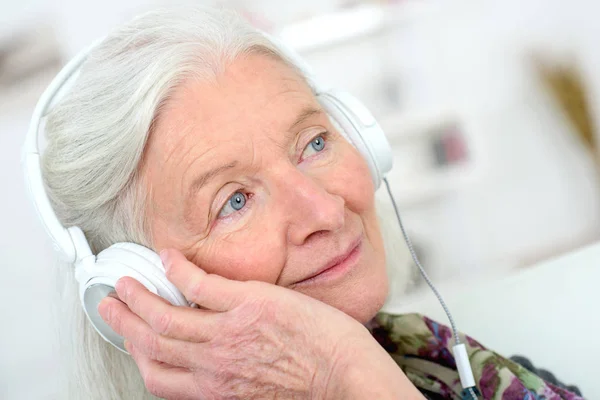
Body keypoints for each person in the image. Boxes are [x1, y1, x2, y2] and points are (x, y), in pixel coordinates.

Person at [39, 6, 582, 400]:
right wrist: (338, 375)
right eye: (235, 201)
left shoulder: (431, 359)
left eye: (314, 144)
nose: (324, 211)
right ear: (141, 292)